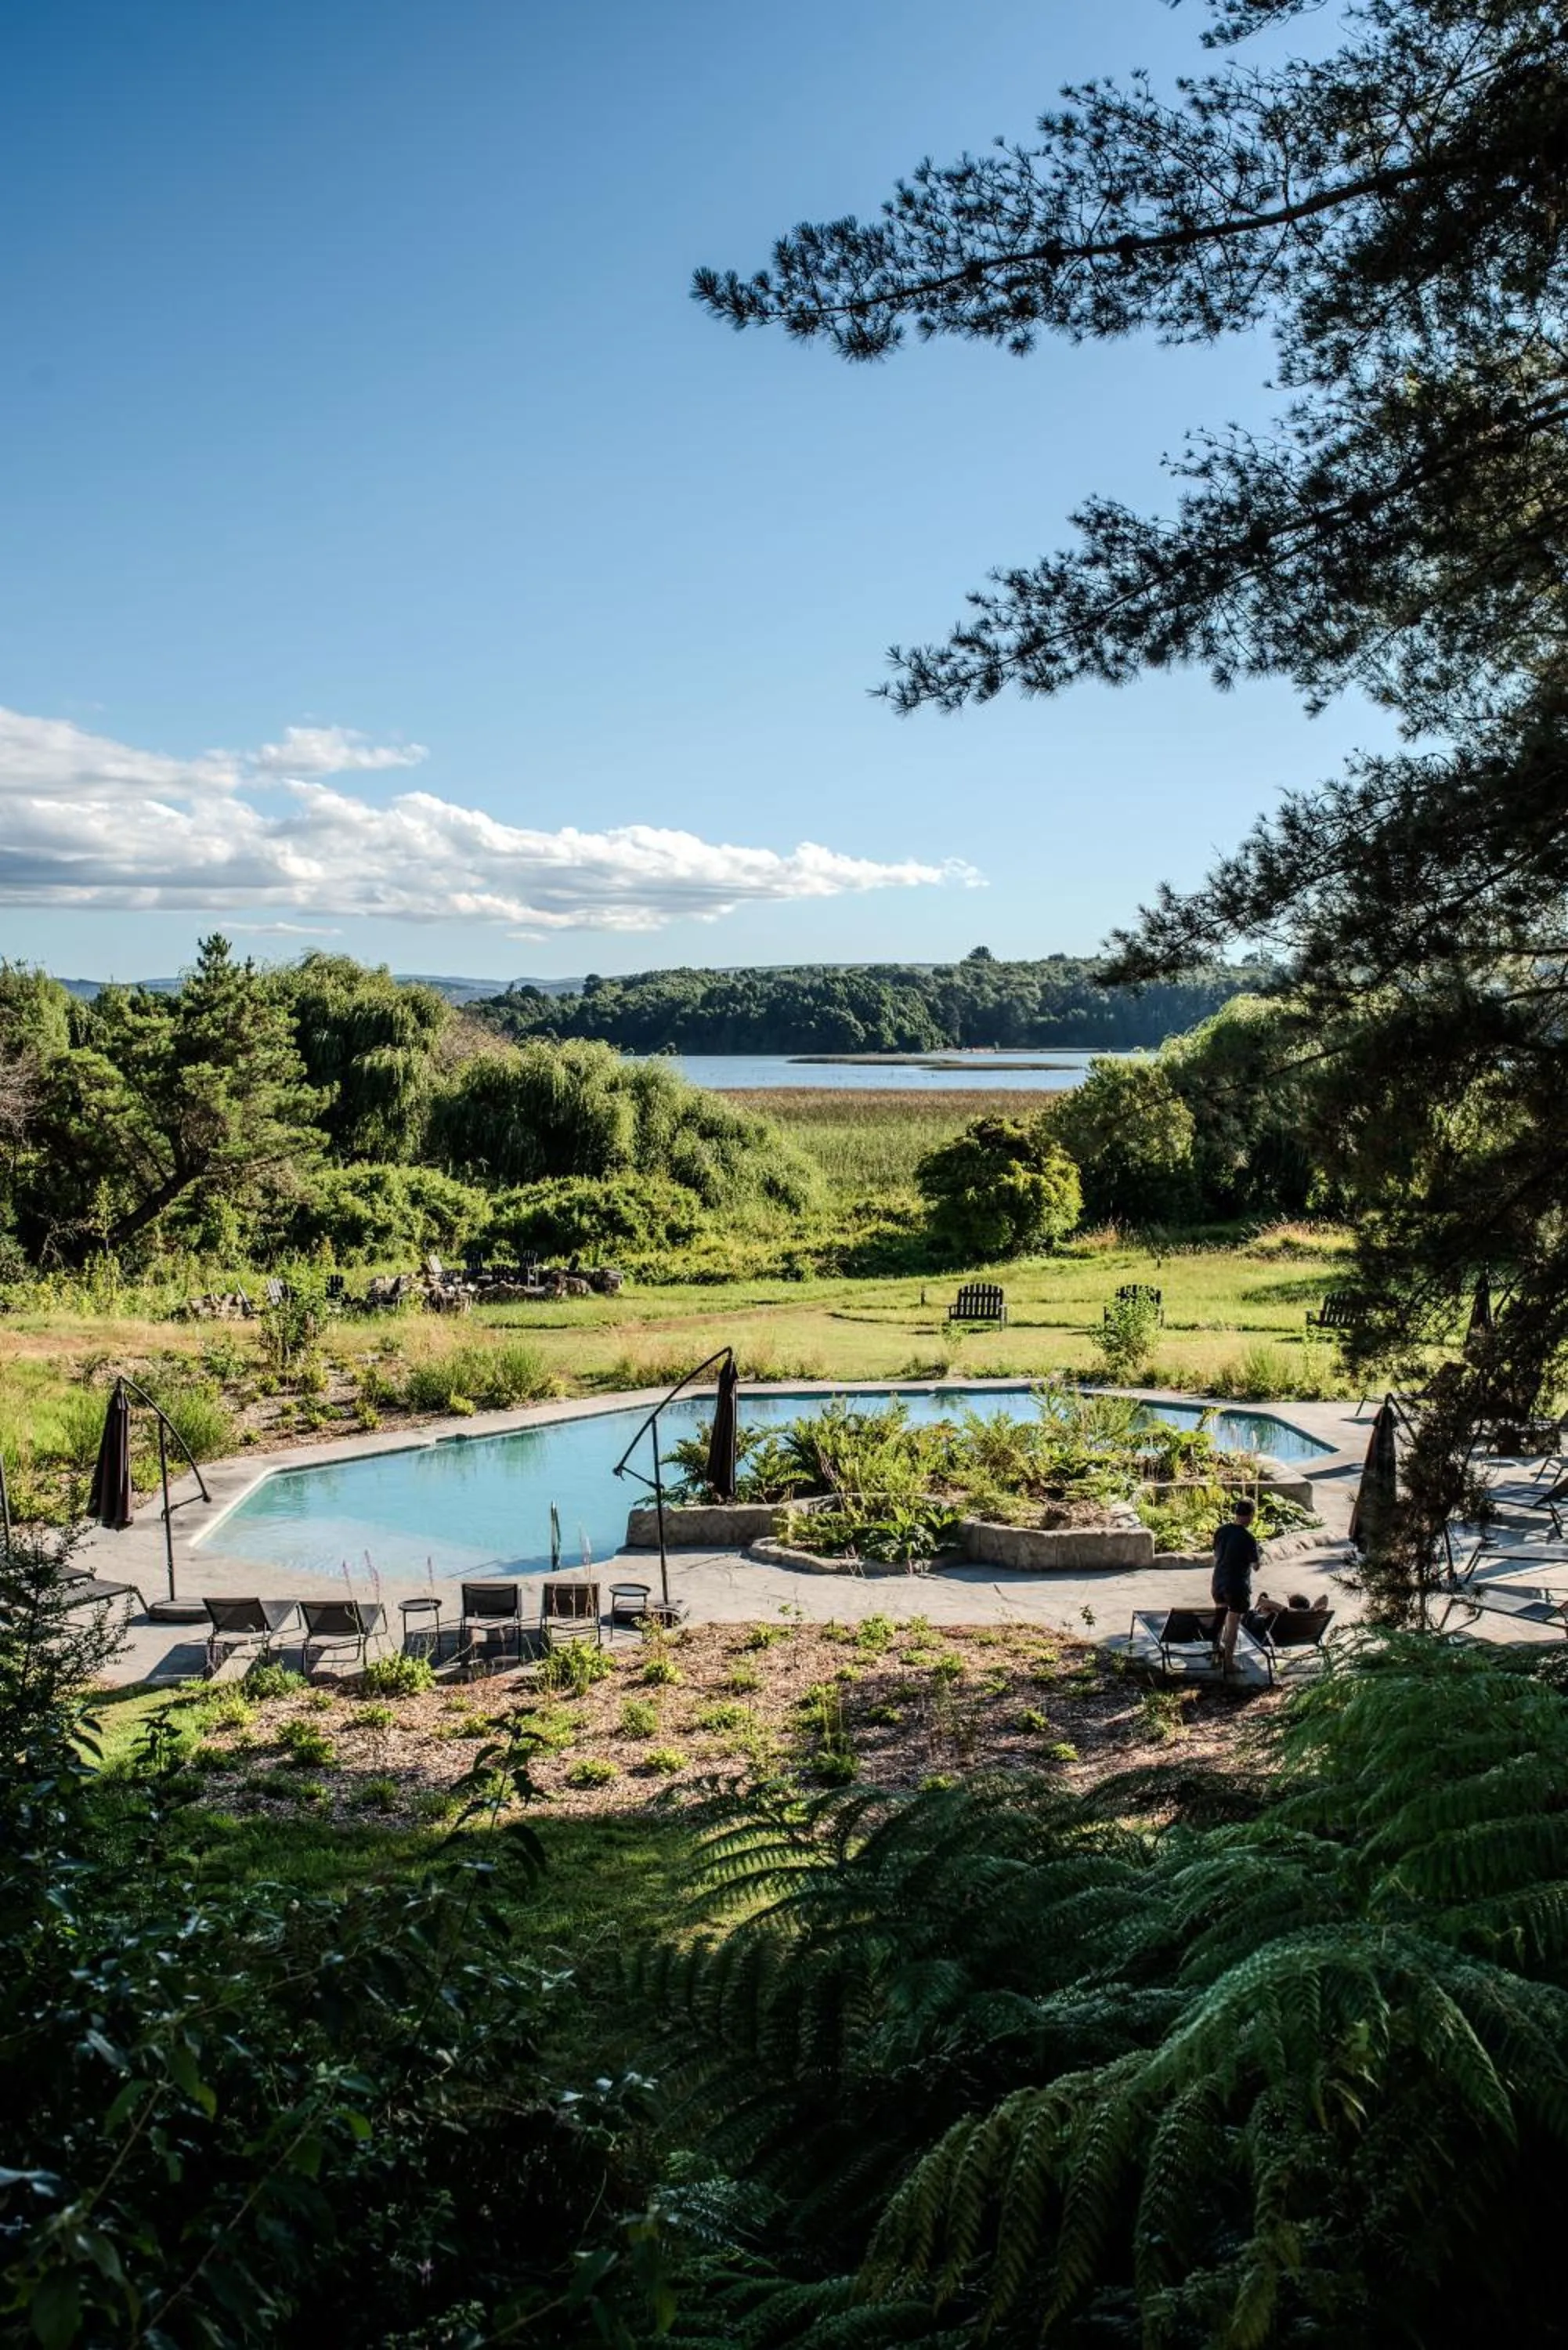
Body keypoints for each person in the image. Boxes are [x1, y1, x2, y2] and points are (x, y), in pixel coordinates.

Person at [1211, 1498, 1261, 1672]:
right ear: (1250, 1515)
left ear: (1236, 1513)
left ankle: (1214, 1653)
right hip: (1237, 1586)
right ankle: (1229, 1662)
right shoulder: (1248, 1538)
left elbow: (1216, 1555)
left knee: (1219, 1617)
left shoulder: (1221, 1531)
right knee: (1232, 1625)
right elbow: (1255, 1566)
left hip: (1218, 1582)